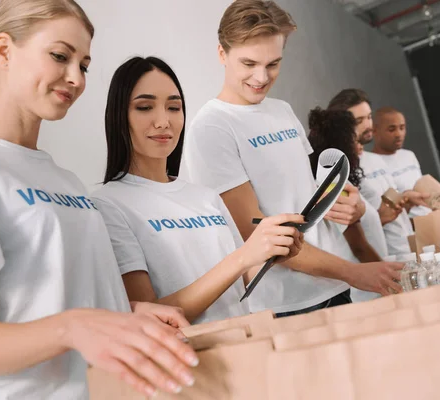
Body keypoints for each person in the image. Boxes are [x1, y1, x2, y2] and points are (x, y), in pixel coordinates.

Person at [0, 1, 198, 398]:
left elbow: (52, 298)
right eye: (60, 56)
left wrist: (126, 315)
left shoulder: (67, 182)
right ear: (5, 50)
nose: (76, 79)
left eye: (83, 65)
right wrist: (74, 326)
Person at [180, 0, 403, 317]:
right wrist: (353, 272)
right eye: (249, 63)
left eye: (273, 64)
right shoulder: (212, 127)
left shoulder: (282, 111)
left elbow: (312, 196)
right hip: (287, 303)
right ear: (221, 54)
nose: (261, 77)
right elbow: (257, 234)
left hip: (336, 285)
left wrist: (348, 207)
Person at [91, 56, 304, 324]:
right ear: (119, 116)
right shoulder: (106, 205)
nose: (163, 121)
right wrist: (242, 257)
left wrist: (273, 250)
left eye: (173, 107)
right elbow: (151, 315)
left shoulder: (205, 197)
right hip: (187, 360)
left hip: (246, 348)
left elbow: (243, 278)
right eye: (145, 107)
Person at [327, 89, 428, 256]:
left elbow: (392, 207)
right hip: (382, 261)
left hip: (409, 251)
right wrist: (377, 219)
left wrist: (407, 199)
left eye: (368, 117)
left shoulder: (375, 159)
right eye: (359, 120)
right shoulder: (342, 169)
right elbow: (348, 232)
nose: (368, 125)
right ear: (341, 126)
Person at [308, 107, 389, 302]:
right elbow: (358, 246)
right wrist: (392, 279)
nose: (359, 144)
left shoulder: (342, 183)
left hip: (372, 284)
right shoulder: (334, 186)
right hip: (368, 289)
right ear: (341, 144)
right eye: (354, 139)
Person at [372, 106, 431, 217]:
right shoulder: (373, 164)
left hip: (430, 218)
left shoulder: (409, 155)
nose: (398, 134)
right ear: (374, 130)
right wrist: (406, 199)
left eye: (402, 128)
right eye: (391, 129)